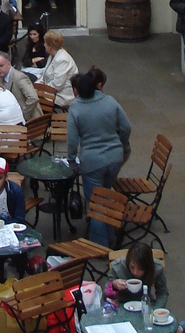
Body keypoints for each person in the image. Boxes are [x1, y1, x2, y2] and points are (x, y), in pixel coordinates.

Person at [66, 69, 132, 246]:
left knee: (96, 204)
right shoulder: (110, 101)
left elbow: (72, 140)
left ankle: (99, 245)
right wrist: (119, 143)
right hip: (115, 158)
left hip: (92, 162)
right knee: (105, 195)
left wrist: (72, 160)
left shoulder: (76, 107)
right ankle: (111, 235)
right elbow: (126, 126)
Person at [109, 243, 169, 308]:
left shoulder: (157, 268)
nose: (135, 272)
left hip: (145, 304)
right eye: (132, 267)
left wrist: (156, 309)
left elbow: (162, 292)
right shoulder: (118, 267)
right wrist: (113, 285)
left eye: (140, 269)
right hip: (121, 305)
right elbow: (105, 294)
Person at [0, 52, 42, 120]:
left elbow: (33, 98)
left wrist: (23, 115)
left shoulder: (19, 78)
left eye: (1, 66)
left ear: (9, 64)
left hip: (31, 121)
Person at [42, 30, 78, 109]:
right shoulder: (52, 56)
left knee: (34, 98)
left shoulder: (62, 59)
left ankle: (43, 119)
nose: (44, 45)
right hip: (53, 91)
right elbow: (44, 75)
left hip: (63, 96)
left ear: (50, 46)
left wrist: (41, 89)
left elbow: (57, 85)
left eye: (45, 43)